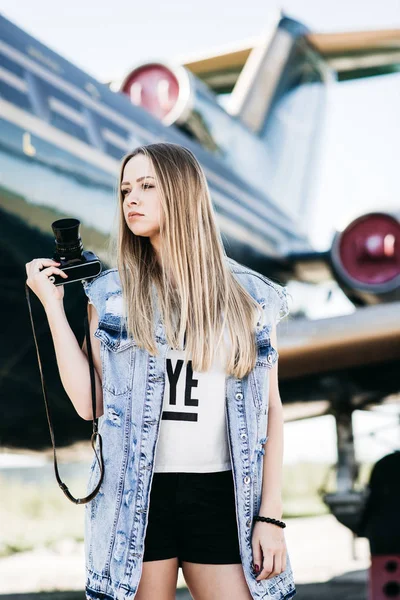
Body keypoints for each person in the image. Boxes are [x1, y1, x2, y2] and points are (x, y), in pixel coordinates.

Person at [25, 142, 296, 600]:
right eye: (126, 188)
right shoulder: (110, 295)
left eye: (147, 186)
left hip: (223, 496)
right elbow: (91, 404)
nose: (131, 198)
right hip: (136, 497)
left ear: (183, 193)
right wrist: (53, 309)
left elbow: (271, 410)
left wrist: (270, 516)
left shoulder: (249, 297)